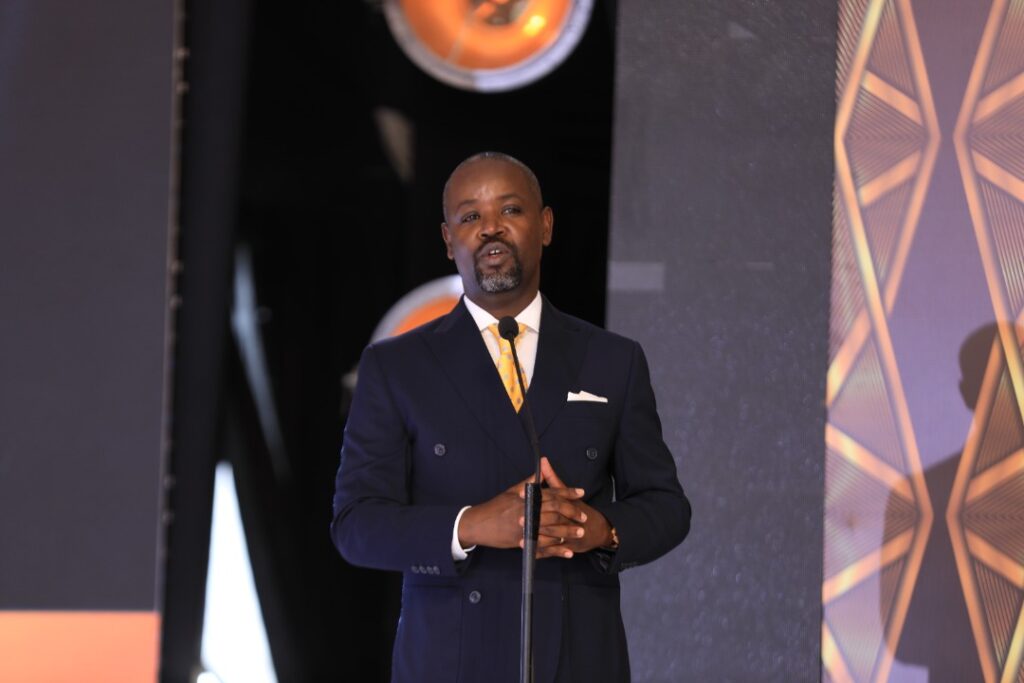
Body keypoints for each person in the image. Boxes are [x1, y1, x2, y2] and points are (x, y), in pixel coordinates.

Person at [331, 152, 691, 682]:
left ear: (545, 226)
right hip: (450, 661)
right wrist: (472, 524)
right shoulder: (397, 367)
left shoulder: (613, 359)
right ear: (448, 240)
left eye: (510, 210)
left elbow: (666, 507)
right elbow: (356, 525)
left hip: (578, 658)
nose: (490, 228)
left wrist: (598, 528)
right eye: (470, 216)